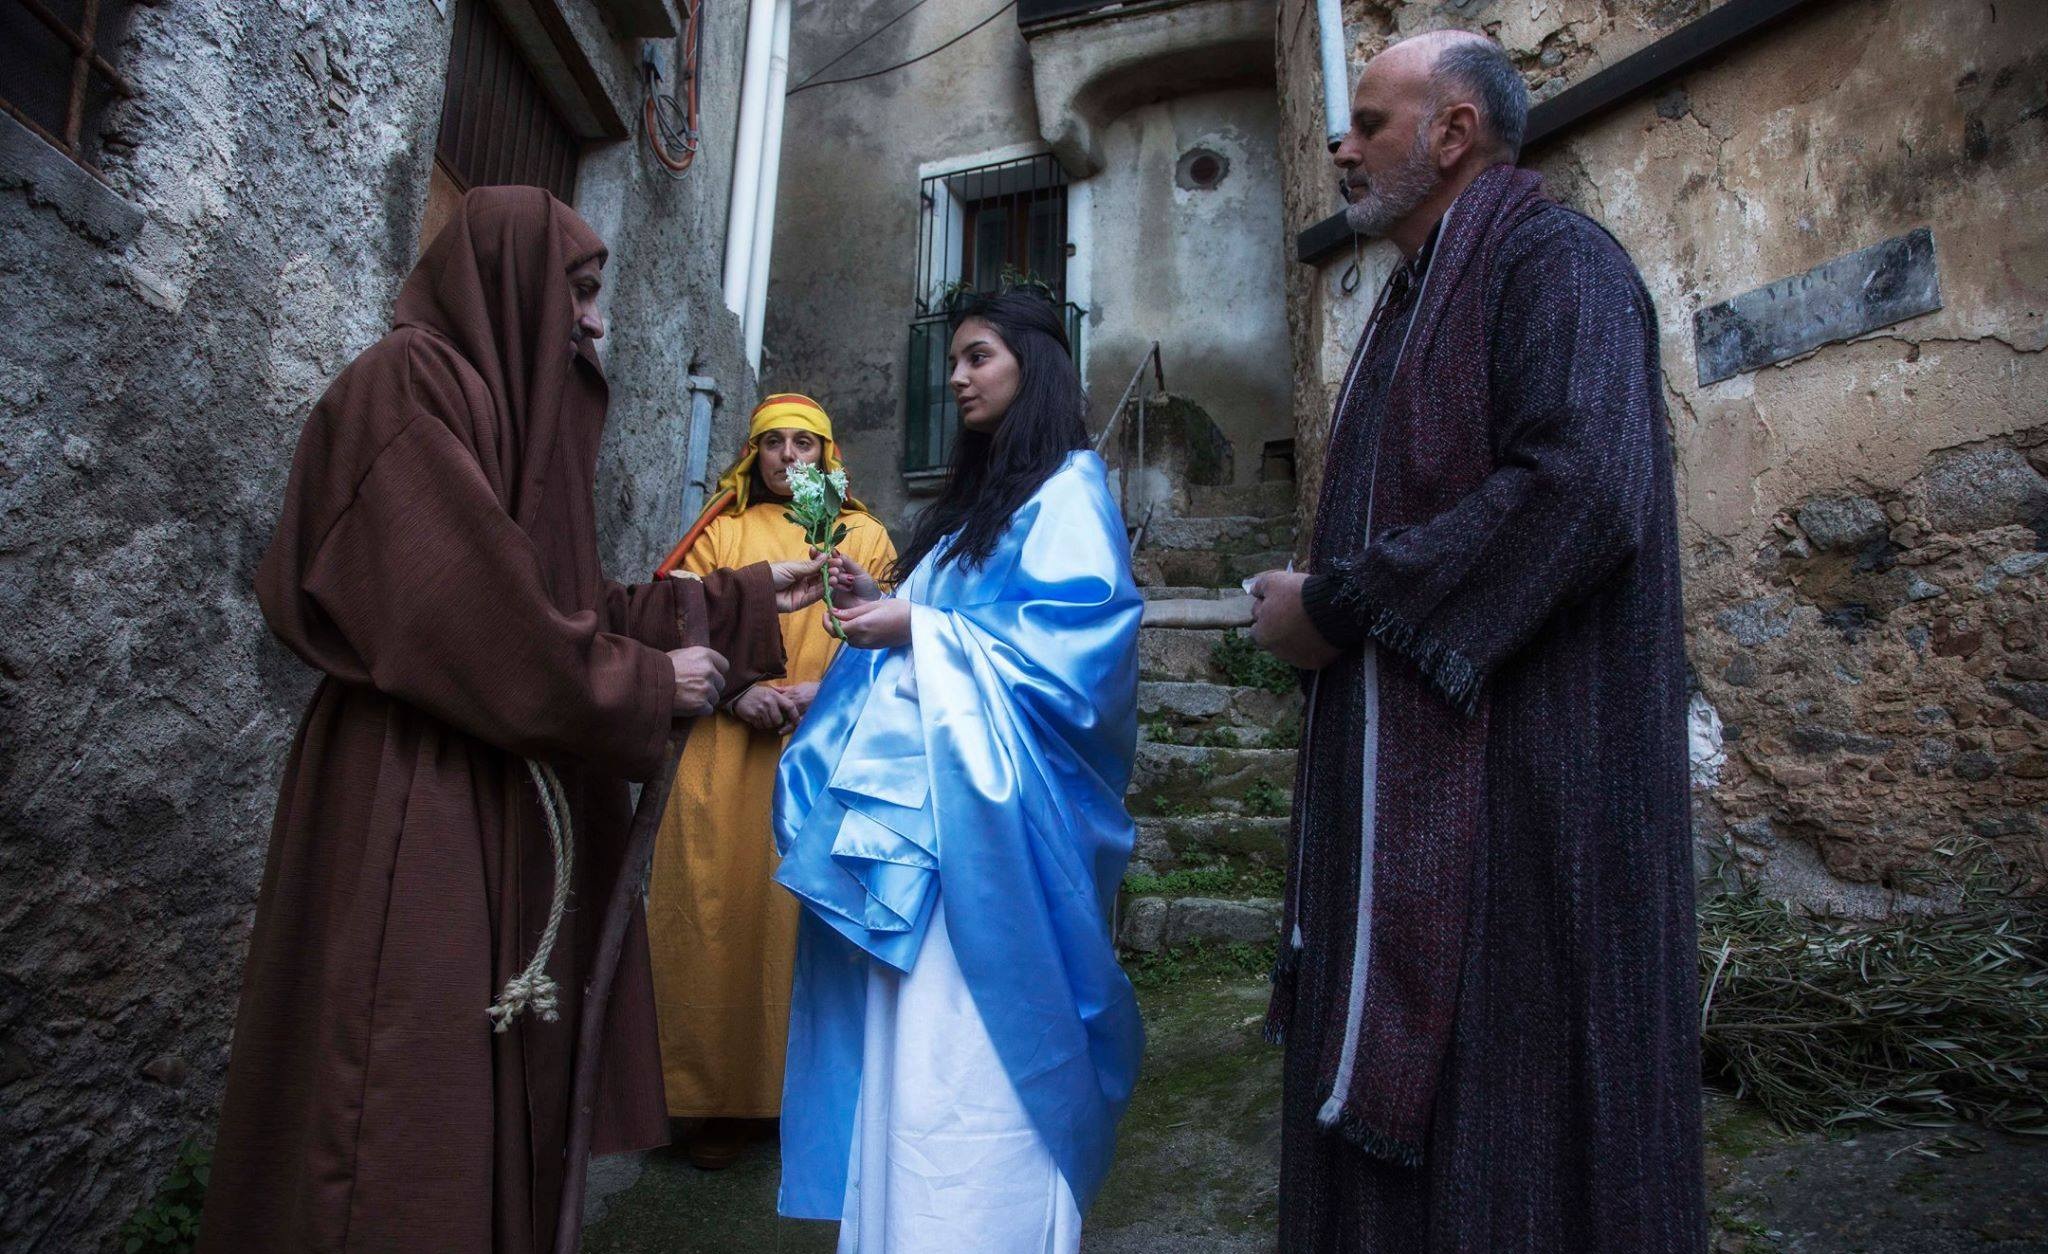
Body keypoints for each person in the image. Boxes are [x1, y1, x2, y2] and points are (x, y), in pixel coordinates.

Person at [199, 186, 822, 1253]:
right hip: (420, 795)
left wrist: (740, 601)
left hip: (497, 789)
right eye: (579, 291)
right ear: (508, 282)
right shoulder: (404, 390)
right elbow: (473, 616)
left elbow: (554, 602)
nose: (593, 319)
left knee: (479, 1086)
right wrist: (638, 686)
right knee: (401, 1093)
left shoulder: (498, 414)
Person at [1246, 31, 1705, 1254]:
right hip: (1414, 788)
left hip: (1533, 798)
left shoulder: (1555, 263)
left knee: (1525, 1128)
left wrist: (1338, 603)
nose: (1338, 148)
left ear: (1452, 133)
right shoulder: (1412, 294)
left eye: (1369, 123)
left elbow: (1586, 486)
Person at [771, 288, 1145, 1252]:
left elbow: (1079, 662)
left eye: (978, 356)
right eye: (954, 359)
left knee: (979, 1062)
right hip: (930, 848)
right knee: (912, 1061)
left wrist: (922, 630)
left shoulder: (1067, 489)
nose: (956, 376)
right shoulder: (982, 503)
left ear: (1033, 363)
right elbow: (957, 625)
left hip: (1001, 850)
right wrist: (883, 603)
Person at [642, 393, 897, 1170]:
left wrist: (821, 695)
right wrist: (735, 687)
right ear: (753, 455)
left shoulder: (864, 535)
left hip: (824, 750)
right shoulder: (721, 531)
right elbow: (676, 618)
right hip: (724, 751)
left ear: (830, 456)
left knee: (805, 920)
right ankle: (716, 1101)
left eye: (806, 444)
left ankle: (810, 1097)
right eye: (775, 444)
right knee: (716, 914)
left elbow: (880, 639)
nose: (791, 457)